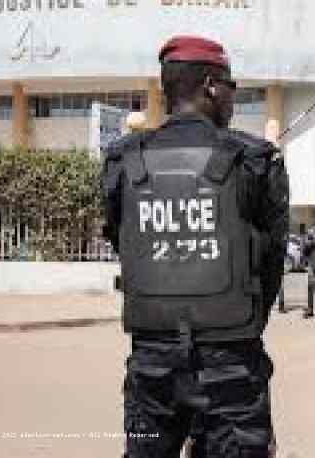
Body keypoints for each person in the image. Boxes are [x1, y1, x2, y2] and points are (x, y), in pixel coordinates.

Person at [100, 35, 289, 457]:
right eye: (231, 89)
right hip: (232, 366)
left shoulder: (123, 161)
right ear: (210, 86)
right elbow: (272, 263)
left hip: (151, 363)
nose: (232, 100)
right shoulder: (255, 160)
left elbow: (124, 244)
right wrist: (236, 322)